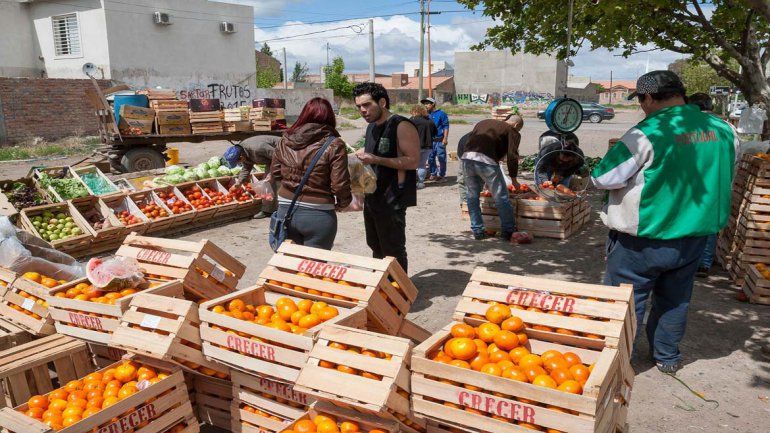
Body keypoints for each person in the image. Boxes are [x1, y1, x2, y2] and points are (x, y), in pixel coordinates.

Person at [592, 71, 739, 375]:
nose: (642, 107)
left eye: (640, 101)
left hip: (643, 238)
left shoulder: (647, 132)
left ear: (648, 98)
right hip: (695, 236)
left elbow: (603, 177)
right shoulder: (724, 129)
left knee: (626, 301)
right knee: (675, 299)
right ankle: (666, 356)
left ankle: (617, 363)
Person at [353, 82, 420, 271]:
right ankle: (382, 283)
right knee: (375, 245)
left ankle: (399, 288)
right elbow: (371, 157)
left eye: (367, 105)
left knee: (393, 249)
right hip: (372, 196)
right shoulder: (371, 127)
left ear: (382, 102)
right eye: (359, 106)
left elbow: (413, 161)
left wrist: (377, 159)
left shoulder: (401, 125)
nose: (362, 110)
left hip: (392, 199)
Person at [269, 97, 352, 250]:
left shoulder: (285, 139)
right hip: (318, 214)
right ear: (330, 117)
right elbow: (339, 185)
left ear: (304, 115)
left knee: (287, 262)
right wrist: (343, 203)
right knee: (314, 264)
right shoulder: (335, 144)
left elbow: (275, 173)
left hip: (286, 209)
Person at [462, 114, 525, 240]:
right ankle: (508, 230)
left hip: (467, 159)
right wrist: (514, 179)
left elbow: (474, 141)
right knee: (501, 197)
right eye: (519, 129)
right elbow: (512, 156)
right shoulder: (511, 130)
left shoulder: (483, 122)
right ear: (516, 125)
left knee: (472, 196)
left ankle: (477, 230)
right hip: (487, 162)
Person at [688, 93, 719, 278]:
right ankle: (704, 264)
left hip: (691, 183)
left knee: (690, 220)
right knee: (709, 224)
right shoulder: (726, 128)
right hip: (717, 182)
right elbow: (735, 156)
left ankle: (688, 262)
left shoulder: (687, 126)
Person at [223, 135, 281, 219]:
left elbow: (278, 157)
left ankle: (282, 211)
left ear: (241, 157)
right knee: (267, 183)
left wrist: (271, 173)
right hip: (271, 159)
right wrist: (239, 183)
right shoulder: (243, 152)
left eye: (238, 162)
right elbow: (246, 167)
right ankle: (267, 211)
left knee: (279, 181)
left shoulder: (258, 148)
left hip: (285, 154)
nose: (239, 163)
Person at [410, 104, 438, 189]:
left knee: (412, 165)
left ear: (415, 111)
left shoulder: (412, 120)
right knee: (422, 165)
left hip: (414, 146)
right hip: (428, 146)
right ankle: (421, 183)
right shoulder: (429, 121)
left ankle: (411, 182)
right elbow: (435, 133)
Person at [422, 97, 449, 182]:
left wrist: (445, 138)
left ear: (433, 104)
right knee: (430, 158)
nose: (426, 106)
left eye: (427, 104)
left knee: (441, 158)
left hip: (440, 140)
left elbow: (446, 126)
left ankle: (442, 175)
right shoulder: (425, 115)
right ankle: (433, 173)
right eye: (425, 104)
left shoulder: (441, 113)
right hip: (430, 141)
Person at [457, 132, 471, 205]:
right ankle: (465, 202)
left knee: (463, 180)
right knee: (463, 180)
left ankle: (464, 202)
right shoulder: (466, 139)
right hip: (464, 156)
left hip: (464, 156)